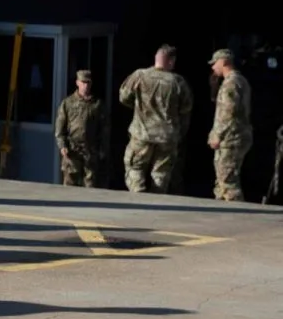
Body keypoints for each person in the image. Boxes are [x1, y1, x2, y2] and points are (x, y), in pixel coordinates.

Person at [118, 45, 193, 194]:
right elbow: (186, 109)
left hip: (142, 133)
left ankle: (138, 194)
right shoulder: (178, 82)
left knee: (135, 167)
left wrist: (139, 107)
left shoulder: (139, 75)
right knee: (161, 173)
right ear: (171, 61)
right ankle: (157, 198)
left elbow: (124, 97)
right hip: (167, 137)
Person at [207, 49, 253, 202]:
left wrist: (217, 136)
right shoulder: (241, 80)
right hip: (238, 135)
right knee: (222, 181)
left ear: (224, 62)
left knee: (228, 183)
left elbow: (228, 112)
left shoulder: (230, 84)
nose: (213, 67)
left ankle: (237, 211)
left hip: (231, 138)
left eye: (215, 63)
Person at [55, 70, 107, 188]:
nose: (86, 85)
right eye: (83, 82)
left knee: (90, 185)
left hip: (90, 152)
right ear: (77, 83)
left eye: (88, 82)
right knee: (70, 185)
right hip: (72, 151)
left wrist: (102, 149)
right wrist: (62, 146)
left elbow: (104, 129)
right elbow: (60, 128)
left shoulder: (97, 104)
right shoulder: (68, 103)